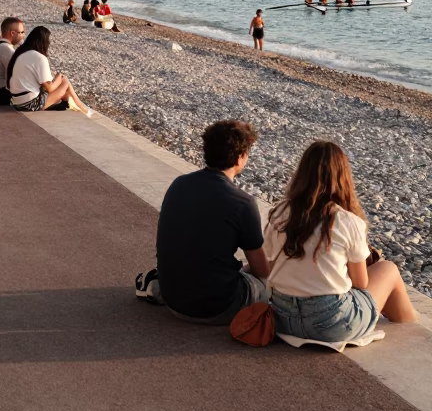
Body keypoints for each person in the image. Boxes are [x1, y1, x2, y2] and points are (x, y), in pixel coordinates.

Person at [265, 141, 417, 341]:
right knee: (388, 270)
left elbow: (270, 267)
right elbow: (361, 283)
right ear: (343, 177)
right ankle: (411, 334)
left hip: (283, 319)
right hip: (330, 323)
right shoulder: (347, 221)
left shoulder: (280, 213)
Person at [146, 121, 270, 323]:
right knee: (266, 285)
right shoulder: (243, 202)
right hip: (217, 307)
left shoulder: (179, 184)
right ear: (241, 157)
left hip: (173, 299)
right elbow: (261, 270)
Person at [6, 25, 92, 115]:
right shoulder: (39, 58)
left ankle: (80, 106)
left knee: (66, 95)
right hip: (29, 104)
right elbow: (50, 88)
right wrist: (59, 78)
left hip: (16, 101)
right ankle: (83, 108)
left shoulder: (22, 53)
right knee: (64, 81)